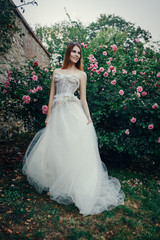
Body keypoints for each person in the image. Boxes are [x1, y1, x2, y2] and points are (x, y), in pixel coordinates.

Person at [22, 42, 125, 217]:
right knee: (57, 147)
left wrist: (89, 118)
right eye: (74, 51)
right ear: (68, 53)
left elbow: (83, 99)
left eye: (79, 53)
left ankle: (71, 186)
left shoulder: (82, 74)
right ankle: (56, 184)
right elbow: (51, 96)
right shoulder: (57, 72)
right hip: (58, 114)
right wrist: (48, 116)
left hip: (73, 113)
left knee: (71, 147)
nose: (77, 55)